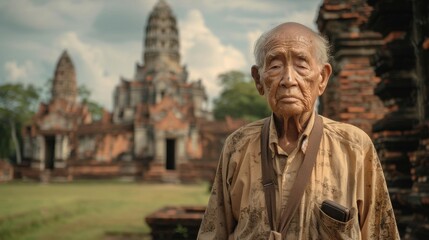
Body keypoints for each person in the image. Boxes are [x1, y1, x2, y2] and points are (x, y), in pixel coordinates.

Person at [197, 22, 400, 239]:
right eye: (275, 66)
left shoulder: (354, 146)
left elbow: (381, 233)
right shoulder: (238, 145)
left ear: (322, 78)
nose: (288, 80)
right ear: (259, 80)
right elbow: (213, 233)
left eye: (301, 65)